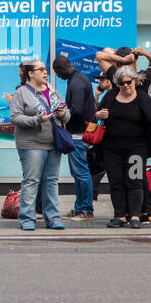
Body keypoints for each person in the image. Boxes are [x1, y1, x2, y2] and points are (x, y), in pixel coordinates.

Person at [94, 66, 151, 228]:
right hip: (112, 149)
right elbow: (98, 114)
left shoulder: (141, 97)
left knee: (135, 181)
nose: (125, 85)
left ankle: (135, 215)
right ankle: (120, 215)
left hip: (136, 148)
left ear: (135, 81)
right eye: (121, 83)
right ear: (117, 84)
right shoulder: (111, 95)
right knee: (116, 182)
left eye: (128, 82)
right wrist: (99, 115)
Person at [8, 59, 71, 231]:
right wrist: (37, 119)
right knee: (32, 181)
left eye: (45, 69)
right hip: (31, 144)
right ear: (30, 73)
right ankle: (27, 219)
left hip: (53, 142)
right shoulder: (22, 92)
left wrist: (64, 113)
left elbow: (66, 115)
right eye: (41, 69)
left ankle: (53, 218)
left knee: (51, 181)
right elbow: (14, 117)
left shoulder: (51, 90)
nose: (45, 72)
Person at [53, 55, 95, 221]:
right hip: (80, 133)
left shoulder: (76, 83)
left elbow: (76, 110)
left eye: (57, 73)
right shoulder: (79, 78)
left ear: (62, 69)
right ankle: (79, 208)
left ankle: (86, 209)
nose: (58, 77)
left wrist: (63, 111)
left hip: (79, 134)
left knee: (81, 173)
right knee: (79, 173)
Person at [89, 67, 114, 199]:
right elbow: (96, 112)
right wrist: (97, 96)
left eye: (102, 80)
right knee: (99, 164)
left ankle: (93, 191)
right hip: (104, 135)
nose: (99, 83)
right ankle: (93, 191)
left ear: (109, 80)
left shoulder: (113, 95)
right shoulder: (106, 95)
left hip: (110, 136)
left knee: (102, 165)